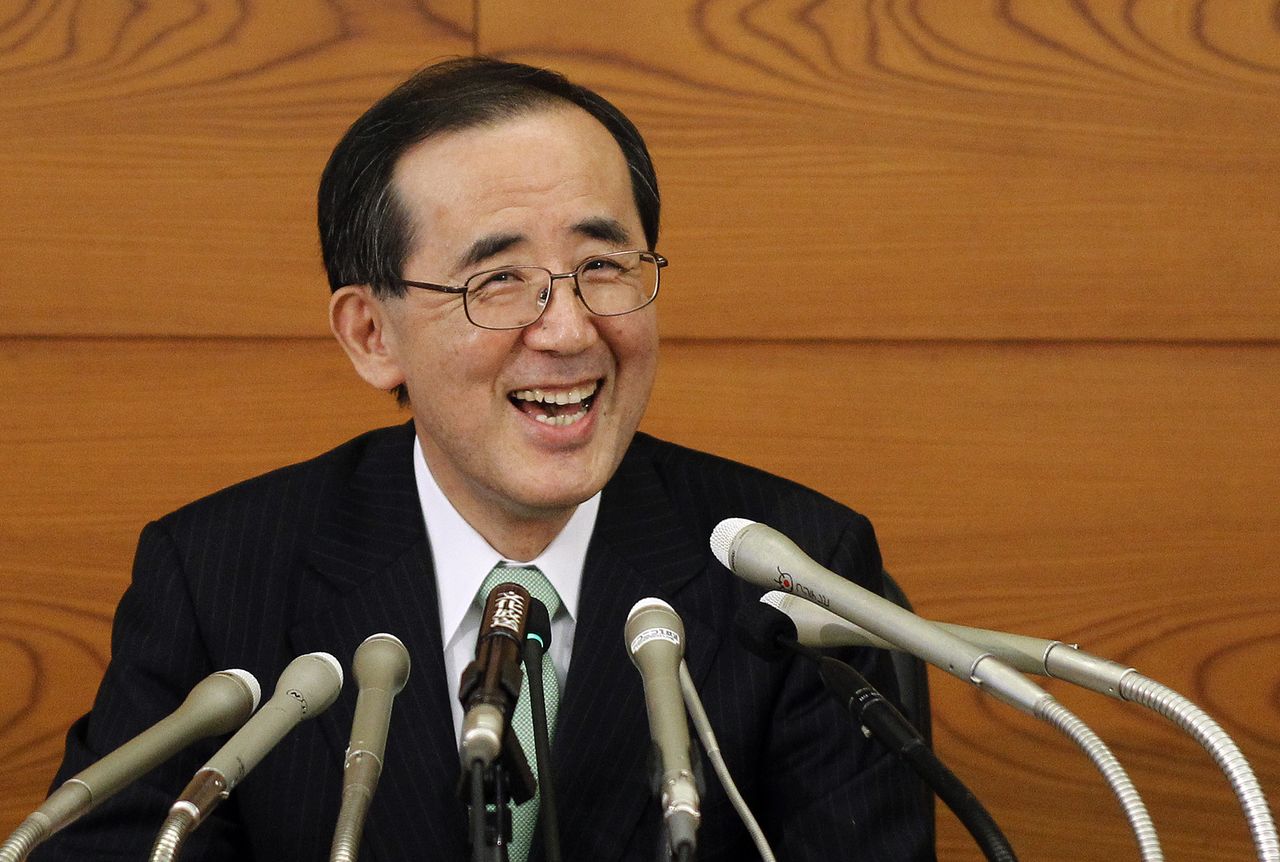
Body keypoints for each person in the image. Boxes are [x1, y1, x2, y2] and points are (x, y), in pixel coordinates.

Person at [32, 58, 934, 861]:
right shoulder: (217, 578)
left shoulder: (795, 573)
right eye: (498, 280)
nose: (571, 328)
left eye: (604, 265)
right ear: (372, 334)